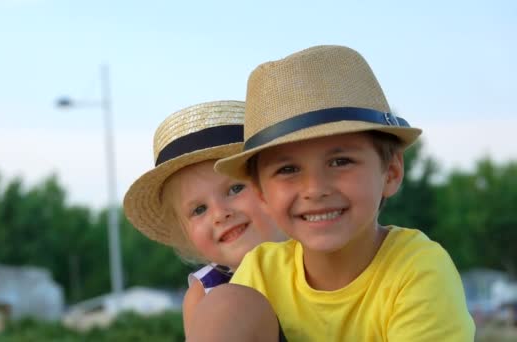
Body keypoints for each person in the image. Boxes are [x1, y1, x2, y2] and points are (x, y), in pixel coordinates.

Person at [190, 45, 476, 341]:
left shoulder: (417, 269)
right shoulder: (261, 271)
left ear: (390, 172)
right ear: (261, 193)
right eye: (288, 170)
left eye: (340, 162)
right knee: (225, 305)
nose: (315, 189)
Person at [122, 100, 285, 338]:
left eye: (235, 189)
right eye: (199, 210)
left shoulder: (315, 258)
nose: (220, 214)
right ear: (185, 233)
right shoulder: (205, 292)